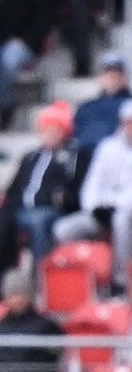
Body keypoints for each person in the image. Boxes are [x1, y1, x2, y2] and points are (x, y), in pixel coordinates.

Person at [52, 98, 132, 287]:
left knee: (122, 220)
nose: (131, 127)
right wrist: (94, 206)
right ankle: (80, 282)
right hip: (105, 210)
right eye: (127, 122)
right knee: (63, 229)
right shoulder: (108, 146)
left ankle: (121, 281)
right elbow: (93, 181)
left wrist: (119, 204)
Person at [0, 105, 79, 272]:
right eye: (46, 129)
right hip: (20, 209)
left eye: (54, 129)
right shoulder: (30, 156)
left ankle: (40, 275)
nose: (49, 134)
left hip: (48, 209)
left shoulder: (69, 157)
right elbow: (14, 187)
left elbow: (69, 188)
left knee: (39, 221)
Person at [0, 0, 47, 130]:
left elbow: (42, 18)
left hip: (22, 43)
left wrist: (27, 40)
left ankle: (5, 107)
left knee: (8, 60)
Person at [0, 266, 62, 372]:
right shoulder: (2, 326)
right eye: (12, 294)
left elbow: (47, 368)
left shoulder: (46, 326)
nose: (16, 299)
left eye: (20, 293)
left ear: (29, 295)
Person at [71, 55, 132, 160]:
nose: (113, 78)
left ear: (125, 77)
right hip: (86, 159)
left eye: (117, 74)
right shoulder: (86, 108)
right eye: (108, 74)